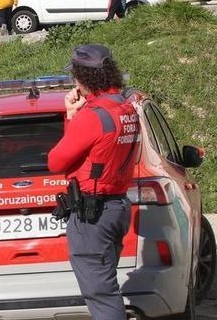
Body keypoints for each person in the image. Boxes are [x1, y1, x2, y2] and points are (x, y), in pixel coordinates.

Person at [47, 44, 140, 320]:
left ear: (84, 77)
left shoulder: (92, 116)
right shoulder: (125, 108)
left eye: (75, 76)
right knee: (105, 285)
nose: (75, 82)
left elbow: (56, 161)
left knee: (101, 294)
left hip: (93, 215)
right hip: (116, 206)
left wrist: (71, 116)